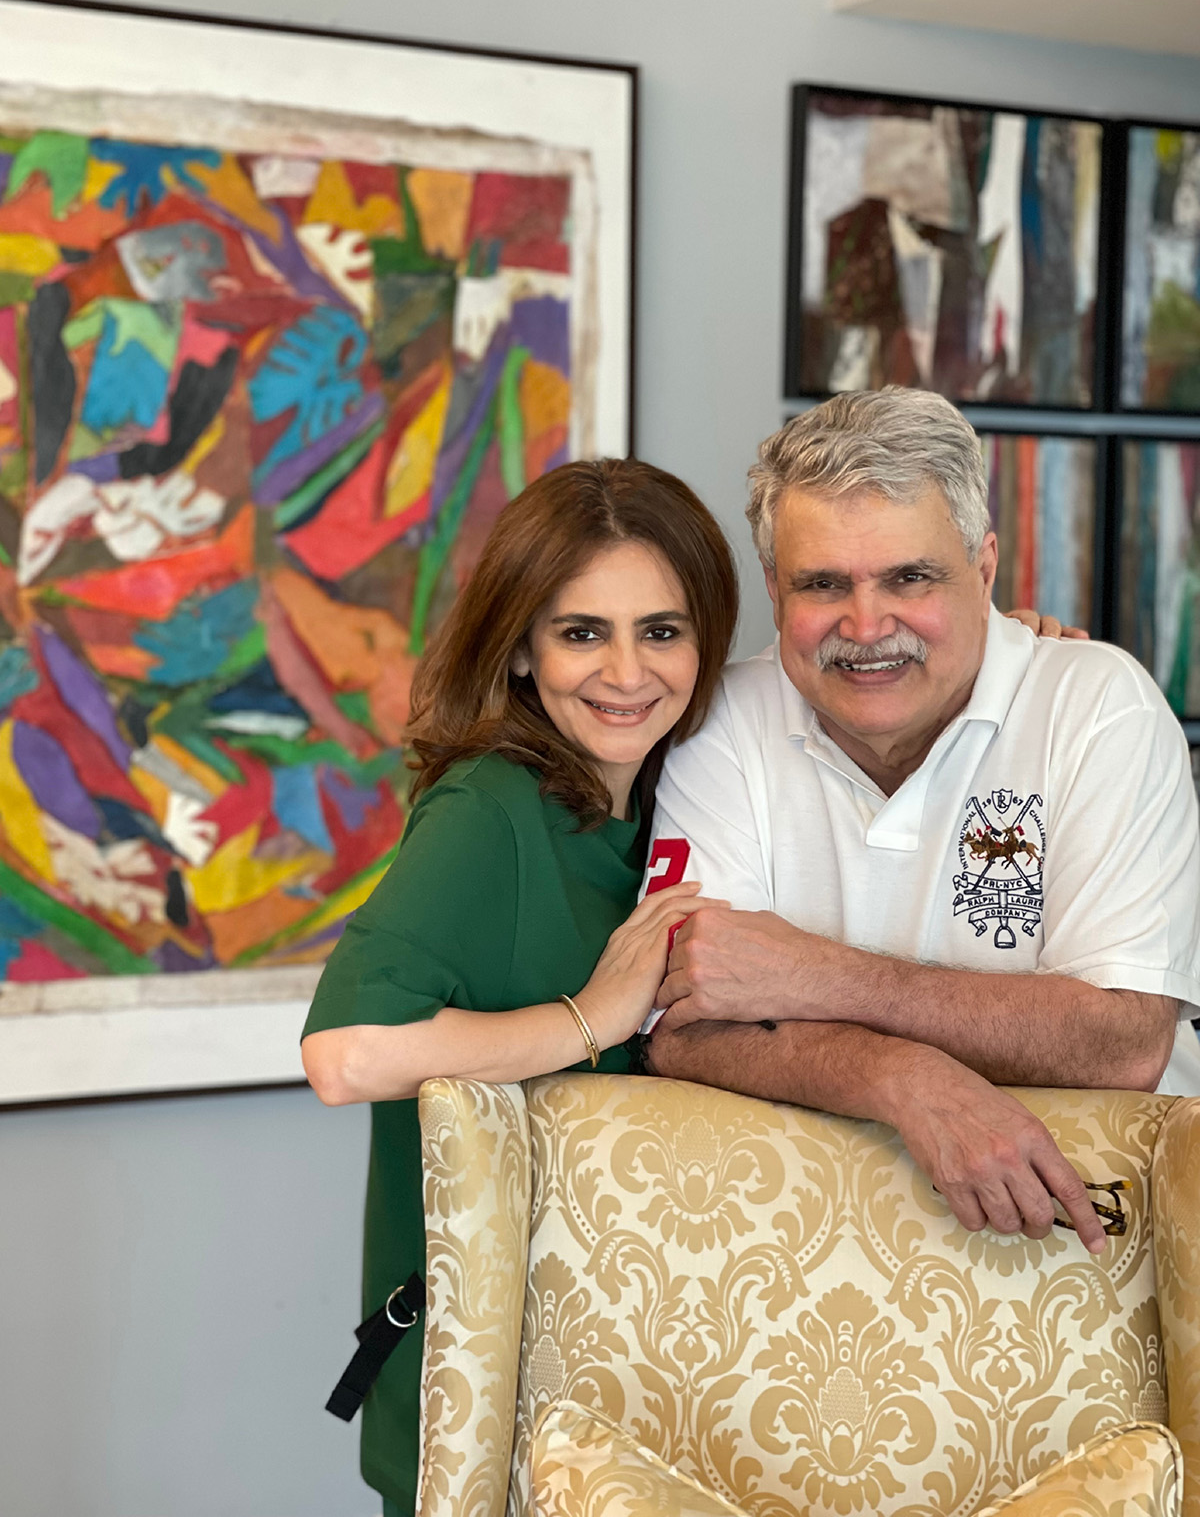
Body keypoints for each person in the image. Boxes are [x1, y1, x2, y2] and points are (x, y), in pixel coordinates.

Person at [642, 387, 1200, 1255]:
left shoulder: (1100, 707)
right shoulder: (718, 721)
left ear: (983, 570)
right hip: (811, 1250)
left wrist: (821, 979)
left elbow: (1122, 1041)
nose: (867, 625)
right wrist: (904, 1077)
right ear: (775, 591)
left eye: (911, 577)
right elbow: (683, 1030)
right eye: (823, 583)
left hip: (1100, 1242)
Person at [300, 457, 739, 1517]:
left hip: (637, 1383)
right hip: (494, 1390)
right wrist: (591, 1019)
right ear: (524, 650)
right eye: (583, 632)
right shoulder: (491, 809)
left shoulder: (680, 798)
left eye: (663, 631)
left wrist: (1016, 659)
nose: (628, 671)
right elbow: (347, 1053)